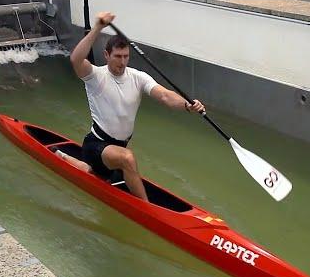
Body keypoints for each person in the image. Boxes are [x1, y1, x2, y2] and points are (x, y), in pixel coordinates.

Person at [63, 11, 206, 202]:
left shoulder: (138, 77)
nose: (122, 62)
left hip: (118, 148)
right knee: (128, 159)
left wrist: (187, 105)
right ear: (106, 55)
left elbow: (165, 96)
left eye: (126, 57)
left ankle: (71, 159)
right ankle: (147, 209)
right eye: (117, 56)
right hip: (97, 145)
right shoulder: (95, 76)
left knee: (116, 163)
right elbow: (76, 60)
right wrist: (98, 27)